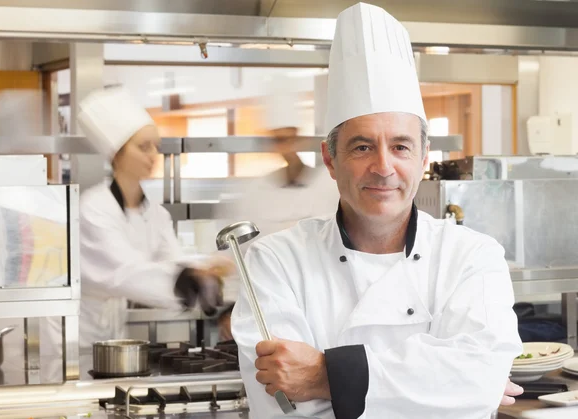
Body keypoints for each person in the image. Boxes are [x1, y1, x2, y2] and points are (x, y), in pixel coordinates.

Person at [231, 3, 523, 419]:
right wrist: (445, 391)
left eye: (401, 146)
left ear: (424, 158)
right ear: (330, 160)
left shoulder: (473, 256)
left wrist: (324, 376)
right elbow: (286, 407)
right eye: (362, 146)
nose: (384, 167)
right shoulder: (275, 263)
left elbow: (482, 377)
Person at [45, 86, 231, 352]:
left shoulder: (156, 213)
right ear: (116, 154)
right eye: (143, 147)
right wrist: (193, 275)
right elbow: (124, 271)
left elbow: (173, 261)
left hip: (112, 335)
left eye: (155, 146)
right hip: (74, 336)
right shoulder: (93, 208)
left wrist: (206, 271)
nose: (153, 155)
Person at [215, 85, 340, 342]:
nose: (286, 147)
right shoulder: (253, 193)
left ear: (301, 138)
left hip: (323, 313)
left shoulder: (330, 188)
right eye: (279, 139)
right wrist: (229, 309)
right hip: (264, 315)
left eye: (289, 138)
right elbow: (234, 258)